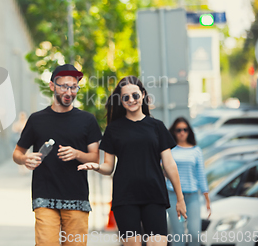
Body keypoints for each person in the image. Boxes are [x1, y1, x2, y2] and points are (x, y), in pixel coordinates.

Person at [78, 75, 187, 246]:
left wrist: (180, 199)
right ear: (121, 101)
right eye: (126, 97)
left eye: (135, 95)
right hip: (125, 197)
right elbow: (108, 167)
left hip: (154, 195)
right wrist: (96, 167)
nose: (131, 100)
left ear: (143, 95)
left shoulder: (157, 126)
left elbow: (169, 164)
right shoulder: (113, 129)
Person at [12, 64, 102, 246]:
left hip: (77, 198)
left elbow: (95, 157)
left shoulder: (87, 120)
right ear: (52, 86)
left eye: (74, 87)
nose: (69, 91)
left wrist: (77, 153)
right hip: (44, 197)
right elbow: (17, 152)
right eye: (64, 86)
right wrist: (25, 159)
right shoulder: (37, 119)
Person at [166, 117, 210, 246]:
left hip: (192, 196)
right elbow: (163, 169)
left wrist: (207, 198)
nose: (182, 133)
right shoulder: (169, 150)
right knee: (178, 234)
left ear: (189, 131)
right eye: (178, 130)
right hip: (173, 195)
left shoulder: (196, 150)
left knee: (195, 233)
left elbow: (201, 174)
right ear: (174, 132)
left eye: (185, 129)